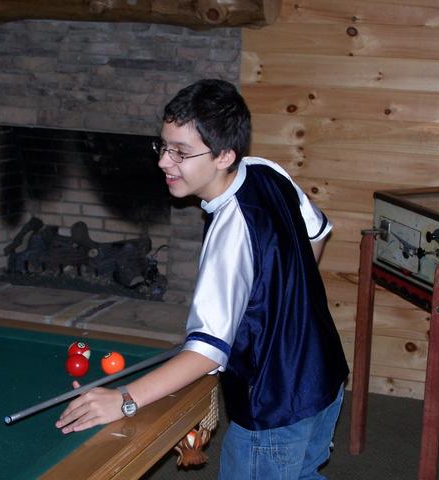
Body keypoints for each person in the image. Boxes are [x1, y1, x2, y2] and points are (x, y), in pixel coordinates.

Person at [55, 78, 350, 479]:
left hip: (275, 405)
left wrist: (124, 399)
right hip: (325, 374)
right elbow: (315, 236)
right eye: (163, 146)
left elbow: (207, 353)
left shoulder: (229, 234)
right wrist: (277, 304)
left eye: (180, 152)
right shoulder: (267, 171)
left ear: (224, 155)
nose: (164, 161)